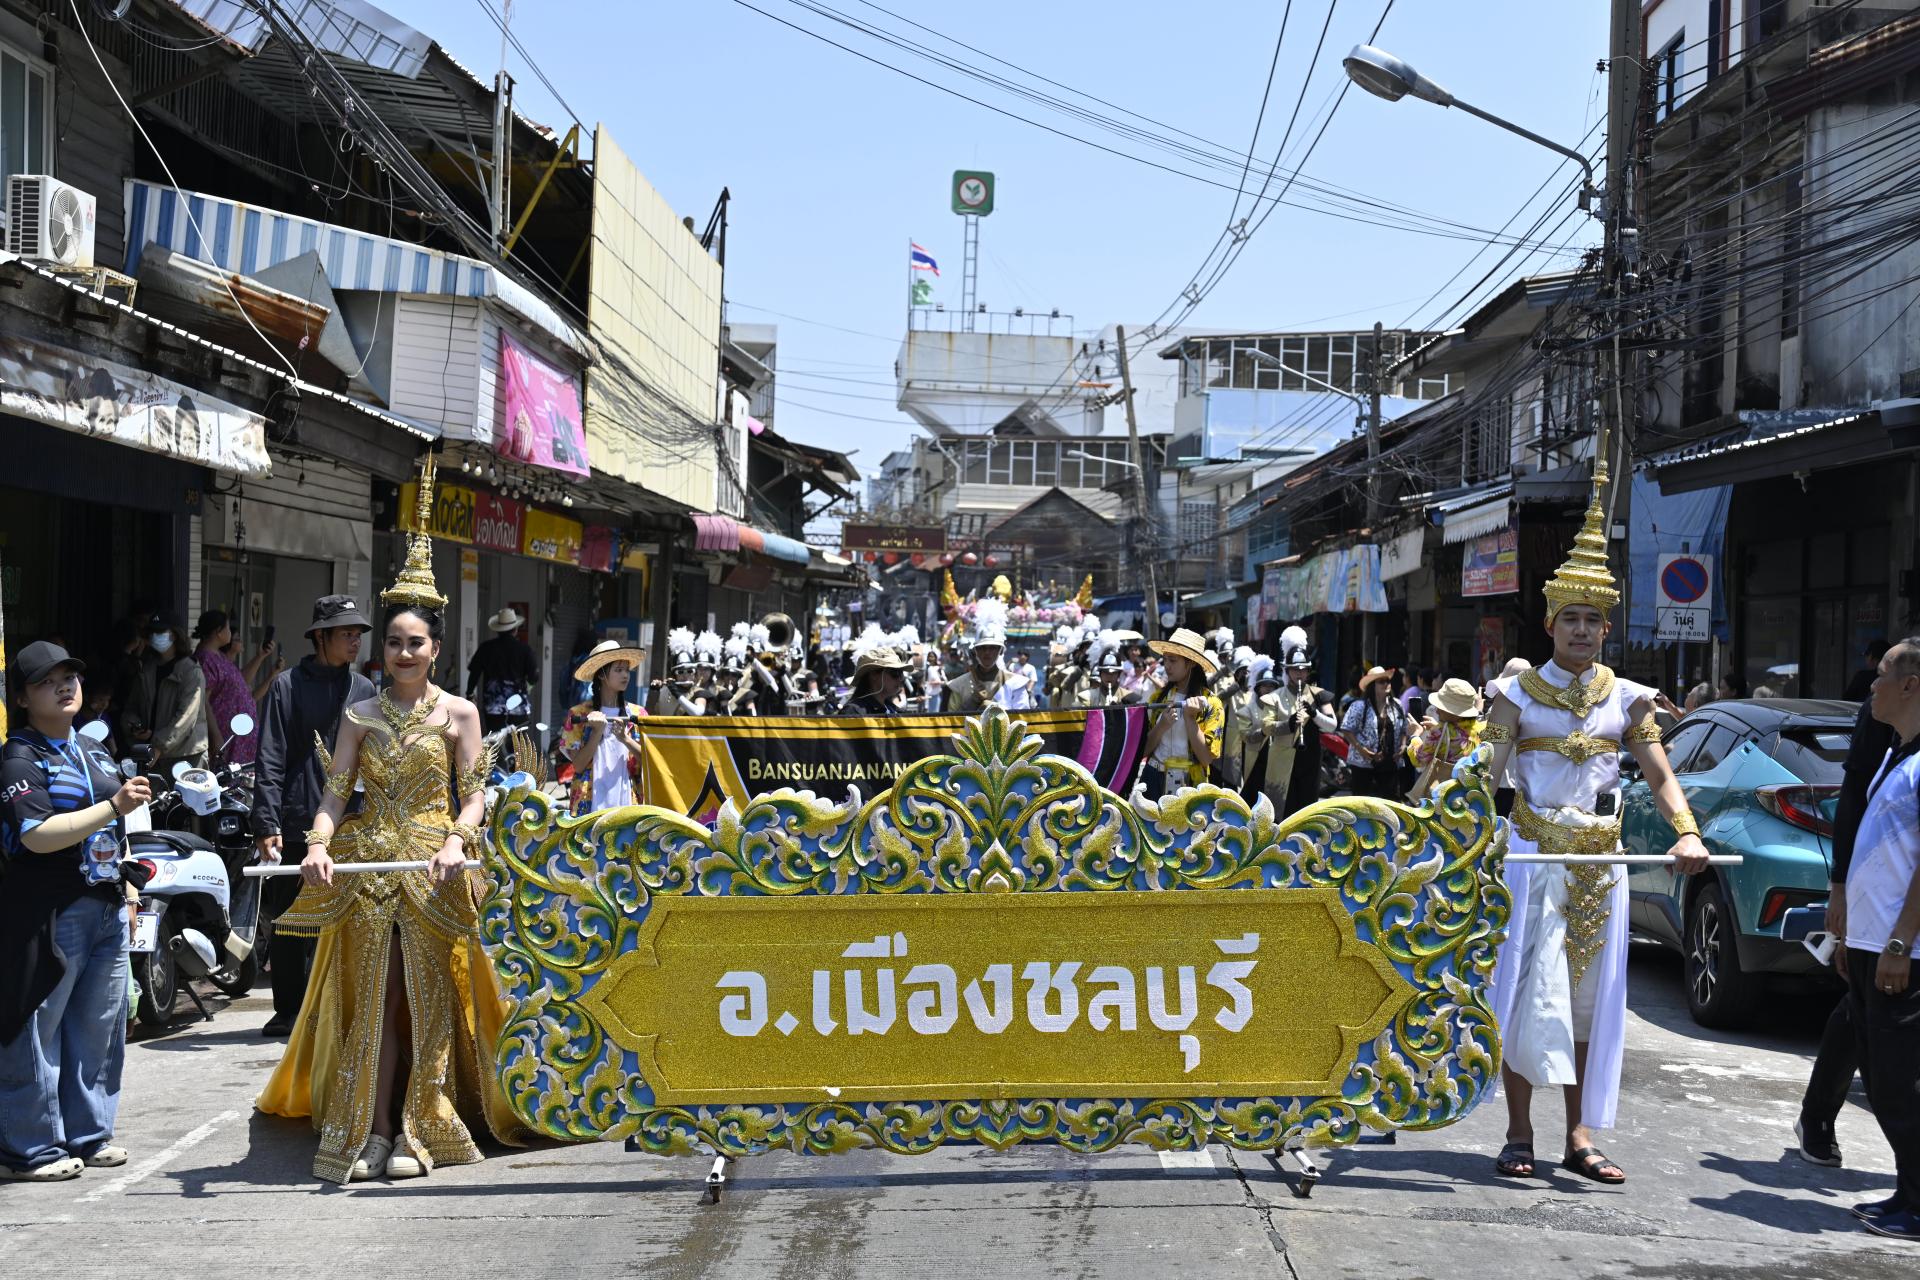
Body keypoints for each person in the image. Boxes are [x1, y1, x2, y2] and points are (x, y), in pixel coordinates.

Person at [259, 467, 530, 1184]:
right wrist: (319, 844)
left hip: (435, 871)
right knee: (376, 1001)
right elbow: (333, 794)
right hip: (371, 872)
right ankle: (374, 1130)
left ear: (436, 649)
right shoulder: (359, 715)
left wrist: (456, 840)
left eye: (416, 643)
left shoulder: (460, 714)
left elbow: (474, 796)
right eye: (394, 643)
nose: (403, 653)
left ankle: (422, 1124)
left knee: (427, 999)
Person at [1480, 469, 1709, 1186]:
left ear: (1607, 629)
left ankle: (1578, 1137)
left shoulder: (1631, 700)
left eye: (1593, 620)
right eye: (1570, 618)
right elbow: (1485, 779)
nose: (1581, 630)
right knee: (1526, 997)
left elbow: (1661, 776)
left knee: (1591, 1004)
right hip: (1530, 860)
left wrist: (1687, 832)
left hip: (1601, 866)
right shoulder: (1514, 695)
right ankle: (1518, 1131)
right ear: (1550, 624)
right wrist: (1465, 834)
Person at [0, 643, 151, 1181]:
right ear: (21, 698)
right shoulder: (19, 757)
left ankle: (89, 1134)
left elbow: (118, 829)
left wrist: (129, 892)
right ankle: (30, 1150)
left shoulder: (93, 749)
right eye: (47, 681)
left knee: (98, 1027)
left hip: (106, 907)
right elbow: (36, 834)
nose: (65, 687)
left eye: (70, 677)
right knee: (37, 1030)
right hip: (49, 911)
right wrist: (112, 805)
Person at [1828, 636, 1920, 1240]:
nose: (1871, 688)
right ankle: (1908, 1193)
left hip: (1902, 951)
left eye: (1881, 675)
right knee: (1883, 1080)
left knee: (1898, 1081)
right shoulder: (1896, 754)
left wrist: (1898, 943)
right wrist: (1853, 935)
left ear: (1911, 685)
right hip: (1870, 942)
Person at [249, 597, 375, 1037]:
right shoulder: (286, 686)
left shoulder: (363, 688)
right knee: (290, 918)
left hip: (354, 819)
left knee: (348, 916)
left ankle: (341, 1008)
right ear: (320, 637)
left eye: (358, 634)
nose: (355, 641)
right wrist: (266, 822)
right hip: (297, 815)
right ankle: (289, 1010)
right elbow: (270, 755)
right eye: (346, 634)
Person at [1796, 697, 1895, 1167]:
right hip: (1891, 878)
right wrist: (1840, 888)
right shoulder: (1888, 708)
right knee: (1864, 993)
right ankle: (1818, 1114)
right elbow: (1855, 797)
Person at [561, 641, 648, 813]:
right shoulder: (578, 714)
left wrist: (625, 739)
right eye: (618, 670)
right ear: (601, 675)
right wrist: (597, 732)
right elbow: (578, 766)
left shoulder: (638, 714)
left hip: (627, 801)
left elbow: (650, 760)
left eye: (627, 670)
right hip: (589, 804)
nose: (625, 675)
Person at [120, 612, 208, 777]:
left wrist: (158, 746)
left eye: (160, 632)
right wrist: (134, 726)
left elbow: (186, 718)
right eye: (152, 632)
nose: (154, 636)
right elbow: (131, 708)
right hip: (149, 755)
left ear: (175, 635)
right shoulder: (147, 668)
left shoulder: (190, 671)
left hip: (184, 758)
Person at [1139, 628, 1223, 799]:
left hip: (1190, 785)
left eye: (1173, 660)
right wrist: (1161, 726)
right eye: (1165, 659)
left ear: (1191, 663)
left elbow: (1206, 758)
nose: (1167, 666)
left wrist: (1190, 719)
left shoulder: (1212, 704)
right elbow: (1143, 751)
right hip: (1153, 778)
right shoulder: (1157, 699)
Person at [194, 610, 271, 767]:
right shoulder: (205, 658)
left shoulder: (219, 656)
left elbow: (239, 682)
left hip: (239, 737)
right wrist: (216, 736)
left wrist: (261, 657)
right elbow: (203, 701)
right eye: (228, 628)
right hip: (226, 736)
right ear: (218, 632)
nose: (230, 632)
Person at [1405, 678, 1484, 803]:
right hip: (1468, 797)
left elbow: (1419, 759)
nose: (1437, 710)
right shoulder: (1481, 728)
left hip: (1442, 799)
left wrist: (1415, 735)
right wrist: (1438, 728)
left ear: (1455, 712)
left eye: (1442, 707)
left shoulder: (1439, 731)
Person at [1341, 667, 1412, 799]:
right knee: (1362, 803)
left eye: (1387, 681)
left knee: (1388, 802)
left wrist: (1403, 746)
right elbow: (1346, 729)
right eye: (1381, 682)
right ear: (1371, 686)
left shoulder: (1397, 705)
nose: (1386, 684)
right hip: (1363, 763)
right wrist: (1362, 750)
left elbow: (1404, 728)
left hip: (1390, 762)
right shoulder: (1359, 706)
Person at [466, 607, 538, 734]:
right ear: (515, 629)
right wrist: (528, 687)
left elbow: (474, 673)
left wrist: (470, 694)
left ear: (498, 630)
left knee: (495, 742)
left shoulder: (486, 648)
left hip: (493, 708)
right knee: (519, 743)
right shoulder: (525, 649)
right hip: (518, 708)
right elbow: (534, 676)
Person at [1278, 647, 1329, 818]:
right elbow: (1267, 727)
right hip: (1285, 759)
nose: (1299, 673)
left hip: (1310, 760)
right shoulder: (1277, 696)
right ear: (1287, 671)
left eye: (1303, 669)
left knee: (1308, 809)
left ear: (1308, 671)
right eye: (1295, 669)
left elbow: (1332, 726)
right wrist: (1289, 723)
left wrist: (1315, 714)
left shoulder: (1319, 694)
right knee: (1288, 810)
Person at [941, 602, 1009, 715]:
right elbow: (948, 720)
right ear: (975, 651)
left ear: (1000, 651)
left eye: (993, 648)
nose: (987, 652)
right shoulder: (956, 686)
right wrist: (973, 700)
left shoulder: (1014, 684)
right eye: (982, 648)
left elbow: (1022, 719)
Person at [841, 643, 908, 716]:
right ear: (873, 675)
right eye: (895, 673)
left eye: (901, 673)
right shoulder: (854, 711)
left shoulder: (894, 710)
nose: (900, 679)